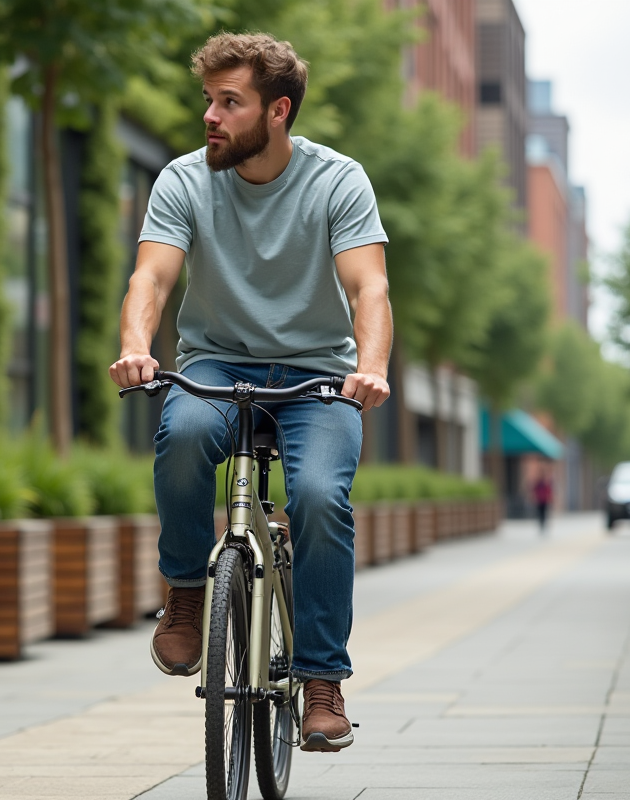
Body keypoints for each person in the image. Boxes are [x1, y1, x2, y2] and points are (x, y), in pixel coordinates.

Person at [108, 32, 392, 754]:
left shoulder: (337, 181)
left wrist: (373, 365)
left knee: (322, 497)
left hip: (317, 377)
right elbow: (152, 279)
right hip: (214, 365)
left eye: (229, 102)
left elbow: (370, 286)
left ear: (277, 111)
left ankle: (322, 680)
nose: (211, 115)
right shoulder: (182, 180)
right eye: (208, 100)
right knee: (178, 442)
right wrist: (138, 346)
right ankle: (185, 590)